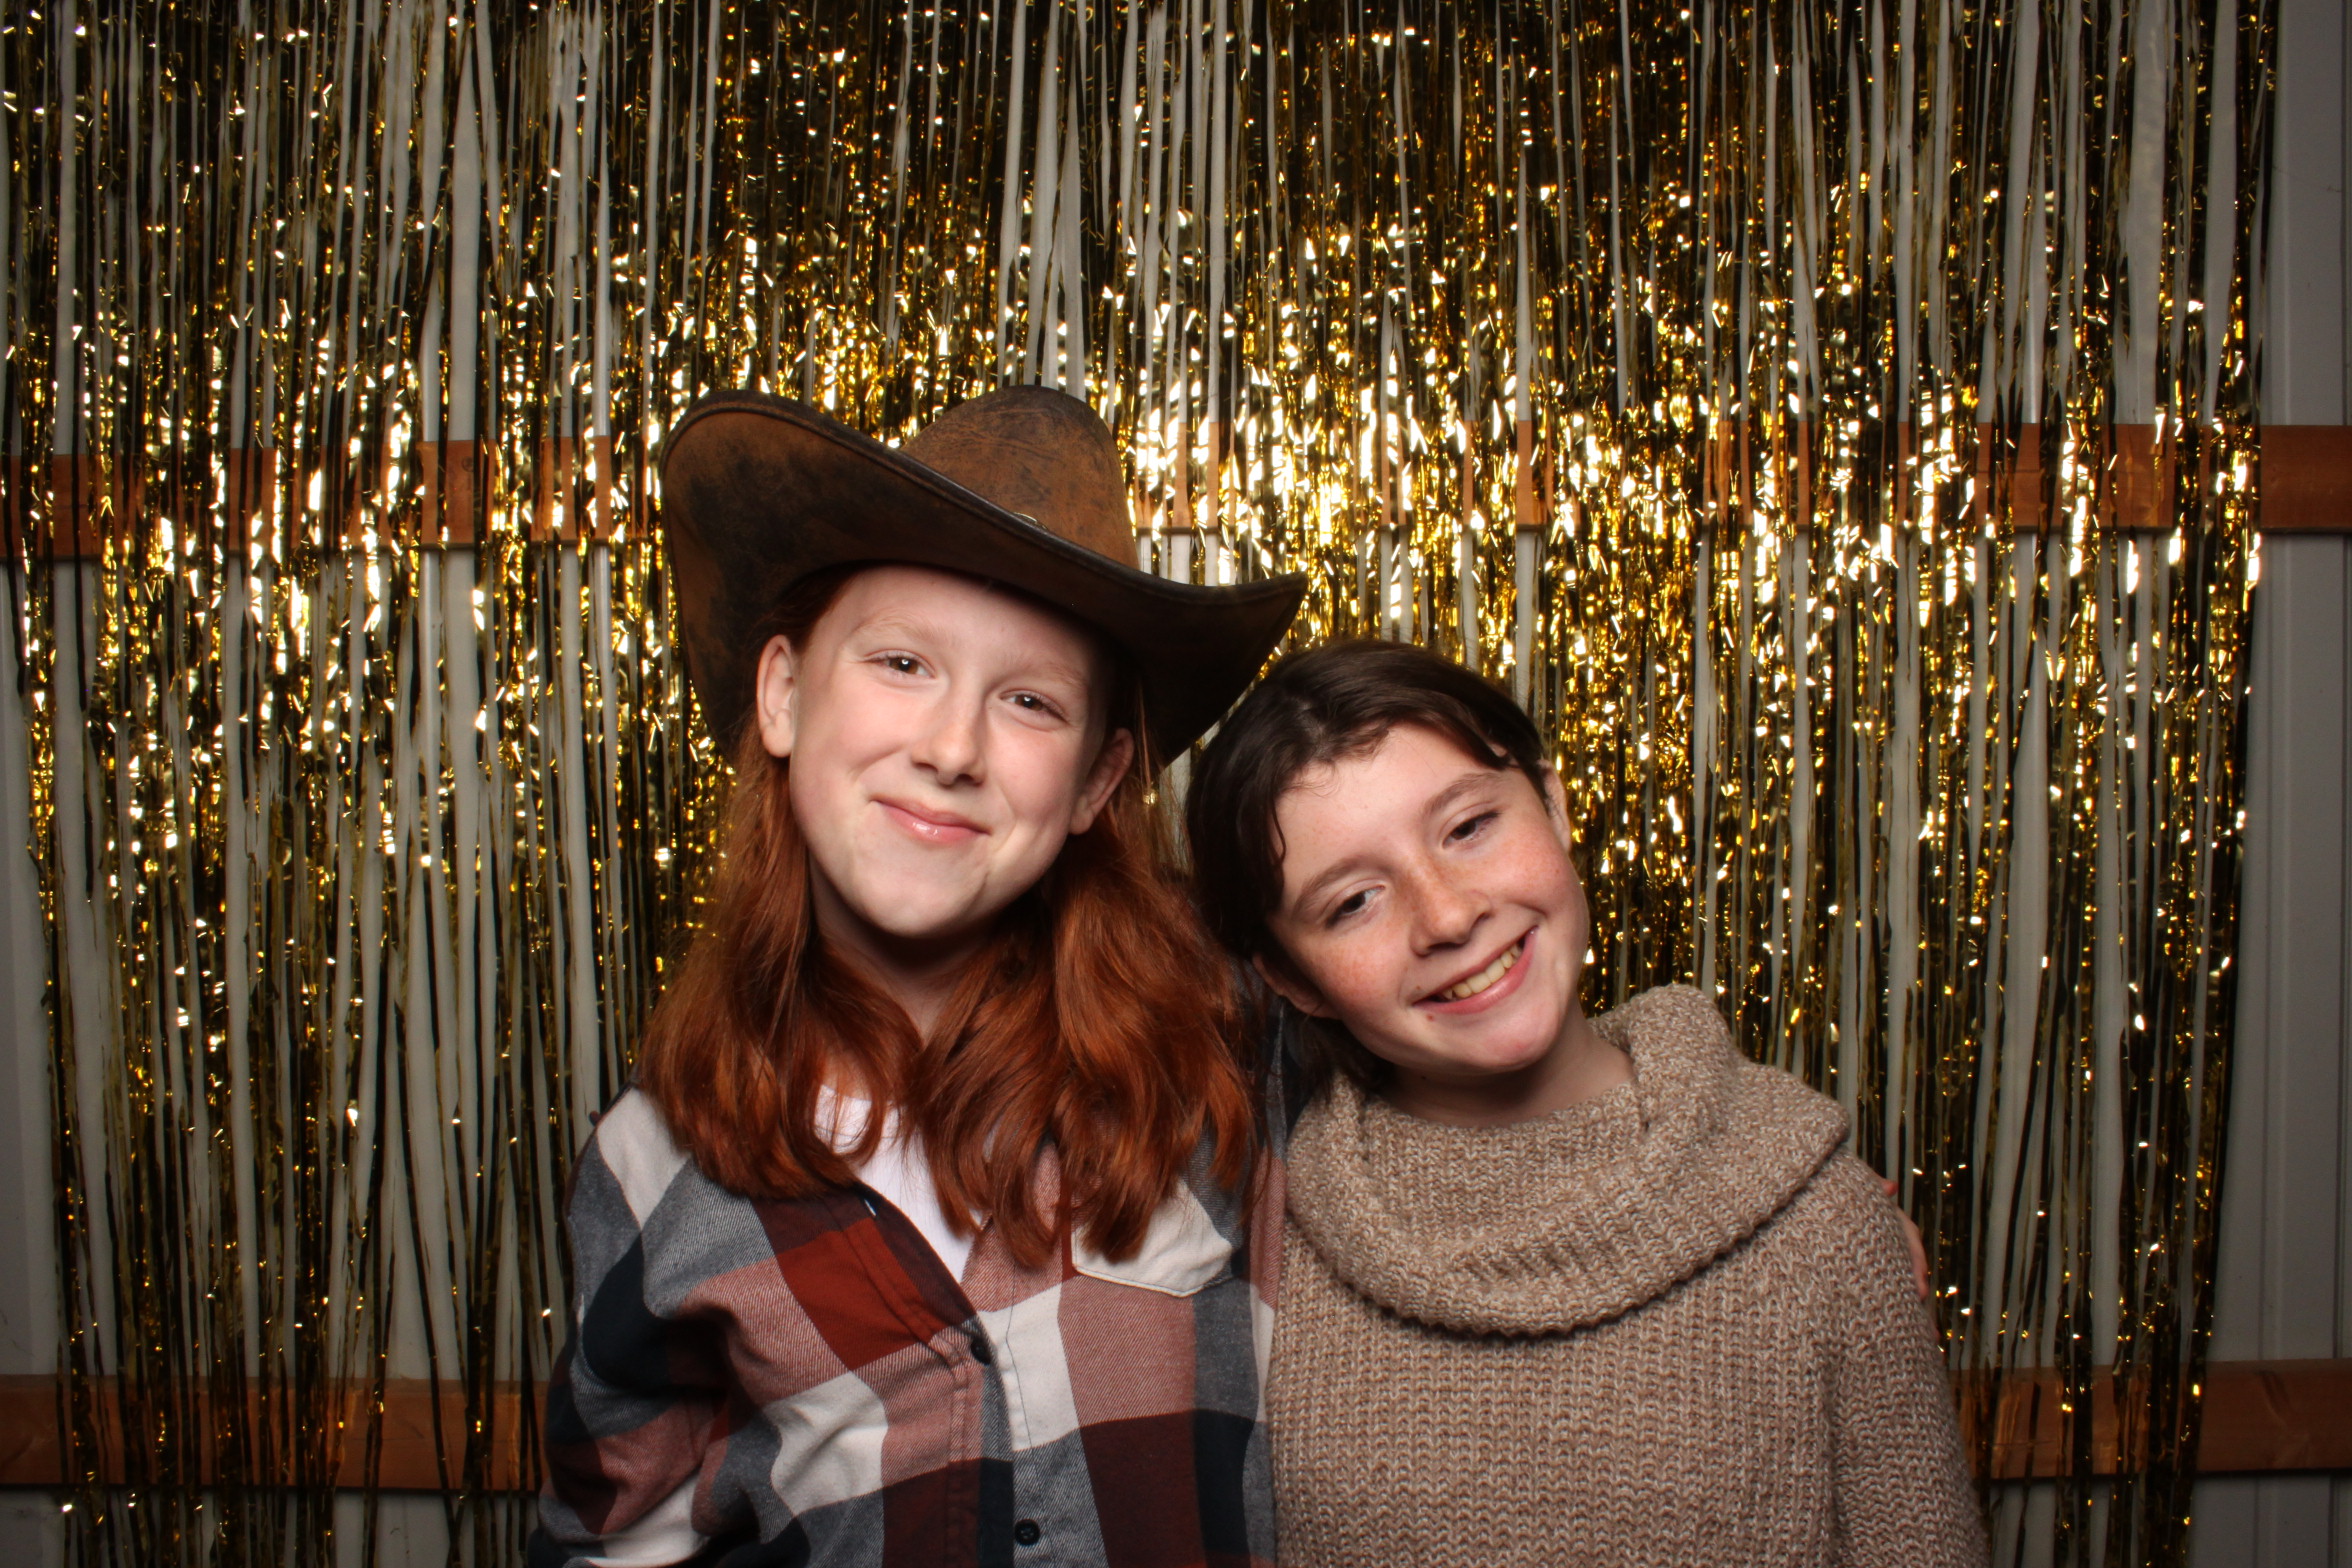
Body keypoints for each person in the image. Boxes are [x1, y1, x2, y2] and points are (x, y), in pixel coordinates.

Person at [529, 387, 1304, 1568]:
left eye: (1030, 701)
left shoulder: (1231, 1033)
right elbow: (614, 1546)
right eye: (902, 661)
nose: (951, 748)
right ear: (784, 693)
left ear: (1097, 781)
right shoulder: (653, 1167)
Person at [1184, 638, 1987, 1568]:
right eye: (1354, 901)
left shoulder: (1820, 1220)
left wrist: (1817, 1213)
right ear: (1292, 978)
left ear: (1554, 804)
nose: (1448, 916)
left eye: (1468, 828)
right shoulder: (1245, 1249)